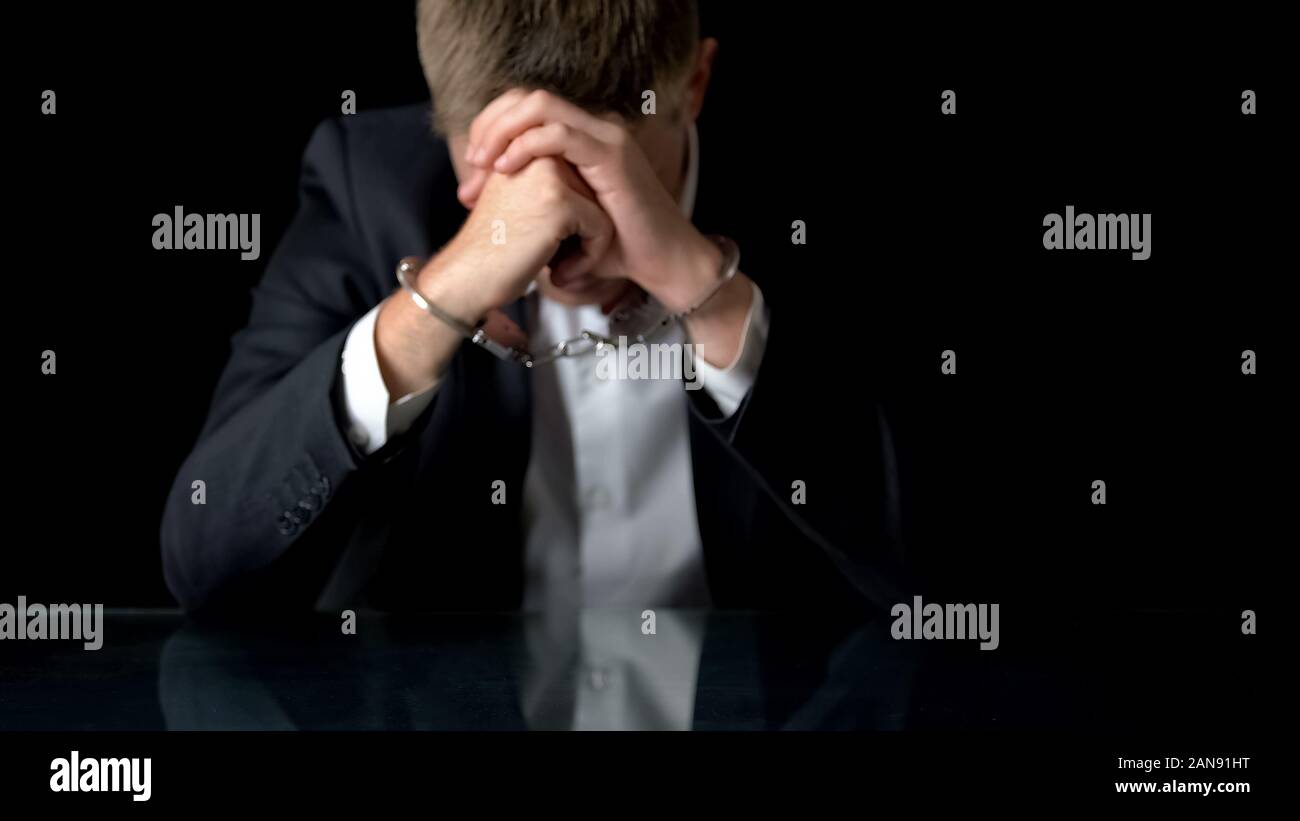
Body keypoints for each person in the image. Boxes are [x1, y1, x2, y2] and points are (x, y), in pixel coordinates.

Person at [161, 0, 903, 614]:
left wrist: (703, 287)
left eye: (599, 159)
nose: (559, 219)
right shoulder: (369, 187)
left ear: (695, 84)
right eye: (507, 162)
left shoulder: (830, 183)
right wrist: (434, 303)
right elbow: (202, 562)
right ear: (441, 114)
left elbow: (943, 582)